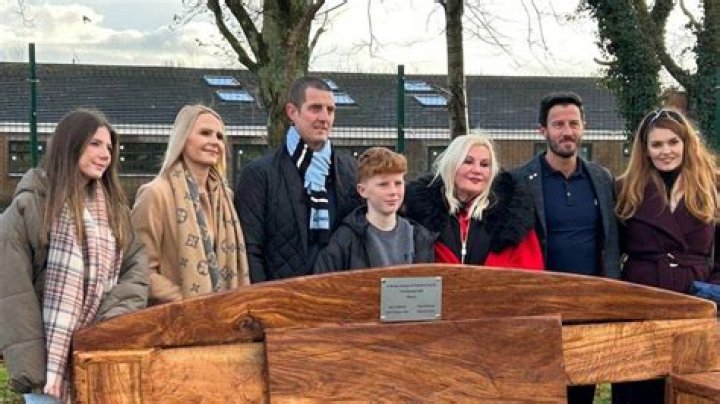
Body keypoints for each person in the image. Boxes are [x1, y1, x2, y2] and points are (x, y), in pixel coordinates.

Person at [0, 109, 149, 403]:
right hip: (48, 372)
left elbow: (136, 269)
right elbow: (13, 292)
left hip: (99, 355)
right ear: (70, 144)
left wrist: (107, 323)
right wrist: (36, 370)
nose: (105, 155)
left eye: (109, 148)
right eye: (95, 144)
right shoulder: (29, 207)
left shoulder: (116, 212)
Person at [511, 92, 620, 403]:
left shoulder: (602, 178)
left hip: (589, 305)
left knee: (582, 389)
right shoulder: (518, 181)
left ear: (584, 127)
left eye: (573, 123)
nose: (567, 131)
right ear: (542, 130)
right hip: (540, 305)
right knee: (539, 391)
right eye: (558, 124)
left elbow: (612, 239)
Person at [612, 109, 719, 404]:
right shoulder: (625, 188)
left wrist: (712, 292)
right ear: (645, 150)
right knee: (639, 389)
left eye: (673, 142)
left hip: (694, 299)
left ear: (686, 143)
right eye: (656, 144)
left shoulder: (712, 186)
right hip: (643, 300)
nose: (666, 151)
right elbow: (612, 247)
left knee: (690, 387)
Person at [235, 76, 360, 282]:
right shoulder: (259, 174)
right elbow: (250, 249)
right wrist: (266, 298)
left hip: (337, 294)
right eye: (315, 108)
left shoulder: (351, 172)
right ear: (292, 112)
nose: (324, 118)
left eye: (330, 110)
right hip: (281, 297)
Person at [132, 104, 249, 305]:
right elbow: (140, 269)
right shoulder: (155, 194)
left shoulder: (226, 198)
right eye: (205, 133)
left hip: (224, 314)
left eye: (220, 137)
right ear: (183, 138)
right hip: (175, 315)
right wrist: (190, 302)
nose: (215, 142)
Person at [405, 134, 543, 269]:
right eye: (468, 162)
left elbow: (529, 272)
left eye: (484, 165)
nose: (477, 170)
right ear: (451, 165)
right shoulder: (419, 214)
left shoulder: (512, 218)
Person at [314, 147, 435, 272]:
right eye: (383, 184)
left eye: (398, 183)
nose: (393, 192)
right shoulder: (344, 240)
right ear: (362, 190)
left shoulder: (419, 237)